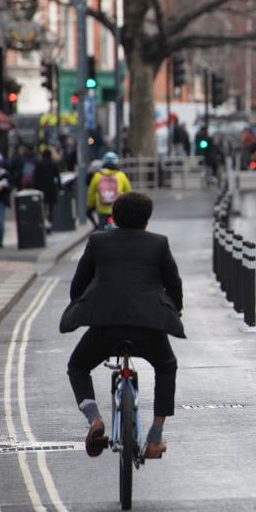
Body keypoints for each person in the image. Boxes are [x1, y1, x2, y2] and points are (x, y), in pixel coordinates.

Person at [60, 192, 183, 459]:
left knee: (78, 366)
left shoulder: (98, 241)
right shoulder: (158, 244)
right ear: (146, 221)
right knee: (166, 366)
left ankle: (94, 419)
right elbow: (173, 283)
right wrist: (176, 310)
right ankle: (154, 437)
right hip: (147, 326)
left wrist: (79, 305)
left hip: (106, 326)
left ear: (113, 217)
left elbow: (79, 284)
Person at [87, 152, 131, 229]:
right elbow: (128, 191)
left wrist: (90, 205)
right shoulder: (121, 175)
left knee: (101, 231)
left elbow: (91, 193)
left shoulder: (97, 175)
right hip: (117, 208)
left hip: (102, 208)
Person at [32, 144, 61, 230]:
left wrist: (35, 188)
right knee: (51, 207)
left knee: (42, 207)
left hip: (41, 189)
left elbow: (35, 177)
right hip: (51, 189)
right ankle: (50, 222)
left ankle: (44, 223)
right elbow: (57, 176)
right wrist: (59, 187)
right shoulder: (53, 164)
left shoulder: (38, 164)